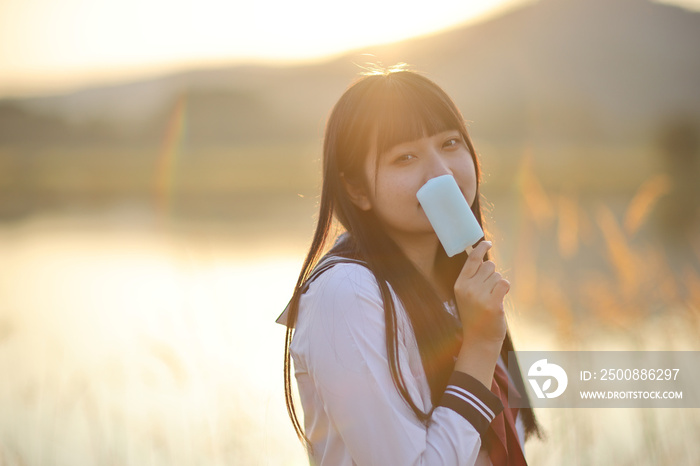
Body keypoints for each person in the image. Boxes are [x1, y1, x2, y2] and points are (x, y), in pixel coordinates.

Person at [278, 66, 541, 465]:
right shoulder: (346, 293)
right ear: (357, 189)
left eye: (450, 143)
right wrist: (481, 346)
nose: (441, 172)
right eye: (405, 157)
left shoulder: (459, 287)